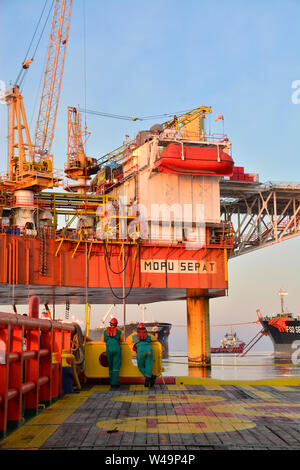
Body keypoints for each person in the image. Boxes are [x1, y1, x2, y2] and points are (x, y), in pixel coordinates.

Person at [128, 323, 157, 387]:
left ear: (137, 329)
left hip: (140, 350)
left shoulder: (134, 336)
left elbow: (127, 341)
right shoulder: (148, 336)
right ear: (145, 328)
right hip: (149, 350)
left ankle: (151, 378)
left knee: (140, 367)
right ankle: (148, 380)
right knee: (149, 366)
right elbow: (155, 339)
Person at [102, 318, 124, 389]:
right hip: (116, 349)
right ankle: (115, 384)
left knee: (110, 366)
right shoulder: (119, 331)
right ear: (116, 324)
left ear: (110, 324)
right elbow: (122, 339)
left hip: (108, 349)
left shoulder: (105, 331)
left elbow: (103, 340)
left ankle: (111, 382)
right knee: (116, 367)